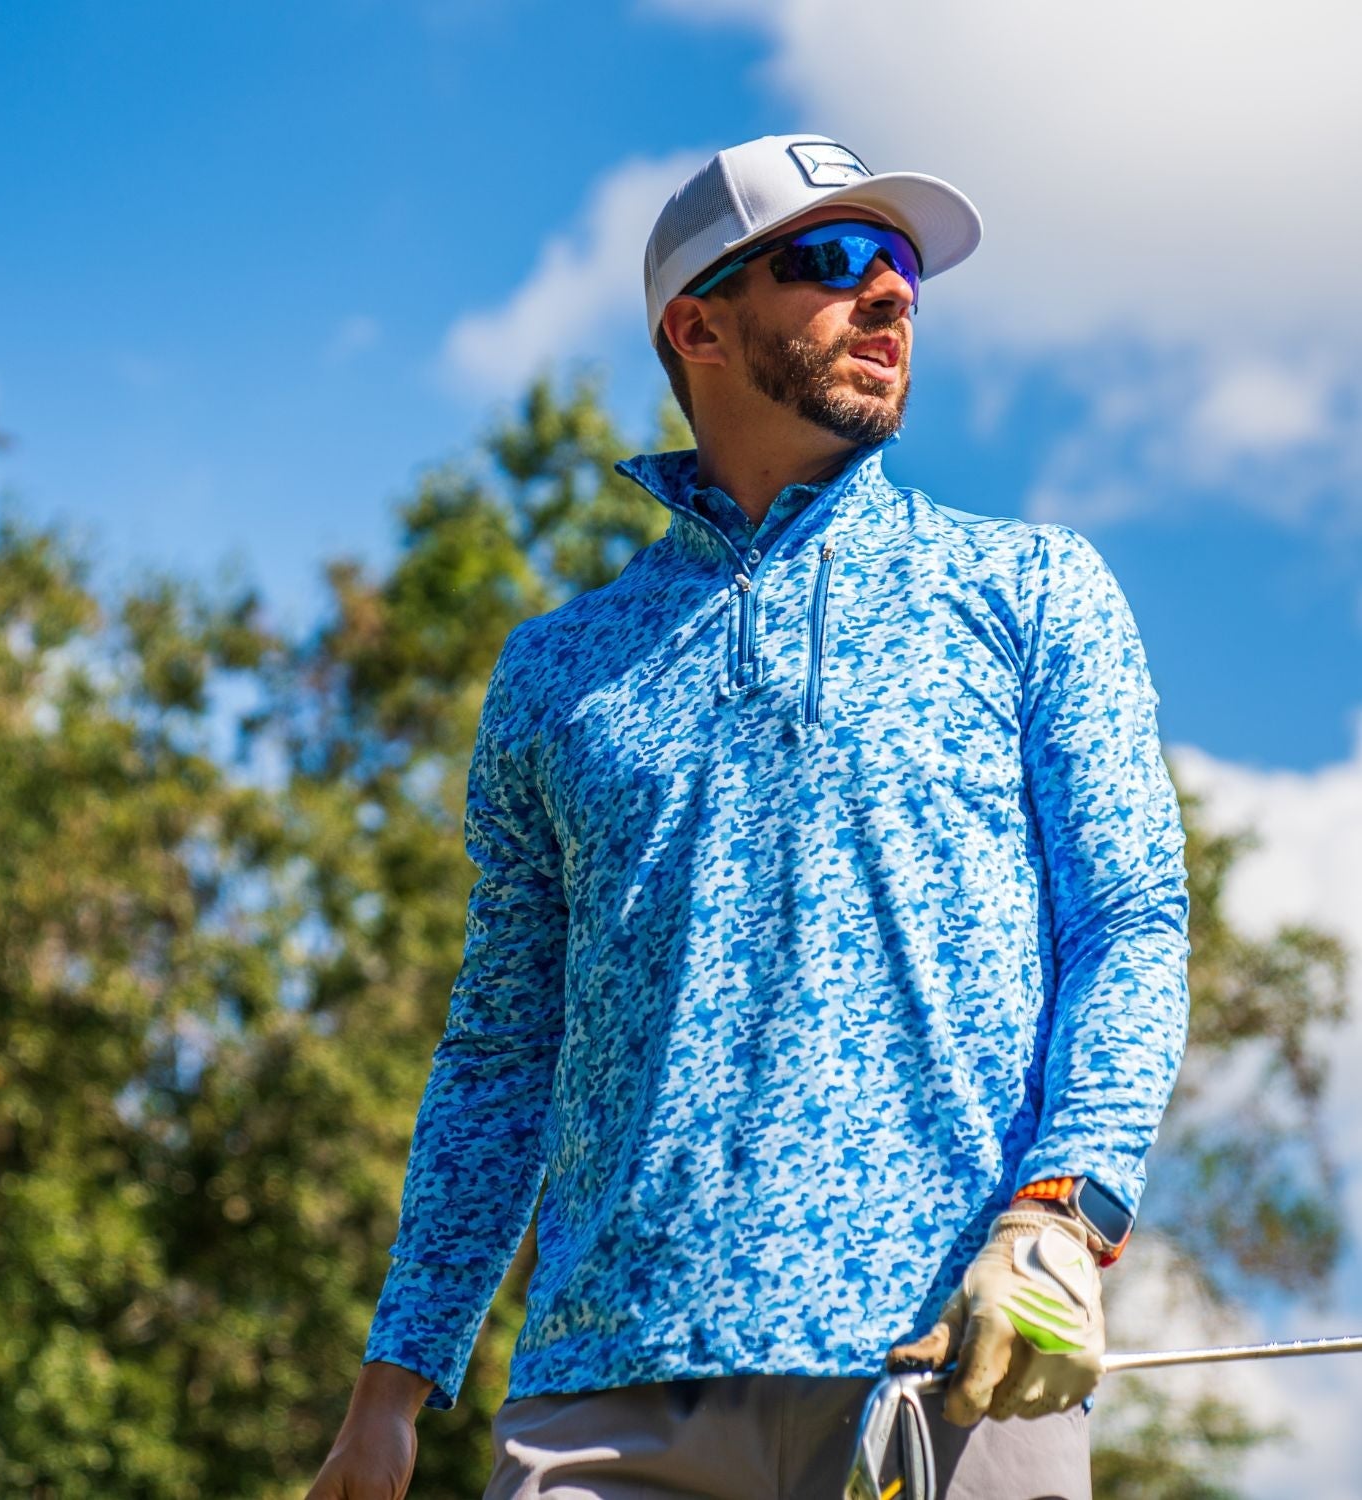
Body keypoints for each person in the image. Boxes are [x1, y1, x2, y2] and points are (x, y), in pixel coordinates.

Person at [305, 133, 1190, 1500]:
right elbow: (500, 1053)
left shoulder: (1033, 590)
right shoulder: (555, 672)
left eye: (899, 266)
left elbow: (1128, 924)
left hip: (947, 1362)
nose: (889, 296)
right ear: (697, 324)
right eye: (833, 262)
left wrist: (1064, 1213)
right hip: (603, 1390)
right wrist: (393, 1388)